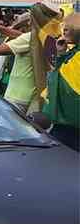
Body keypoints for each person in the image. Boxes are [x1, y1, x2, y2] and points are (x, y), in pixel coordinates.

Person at [42, 12, 80, 150]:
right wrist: (61, 53)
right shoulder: (73, 53)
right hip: (64, 123)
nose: (64, 30)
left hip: (71, 123)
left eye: (69, 27)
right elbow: (59, 76)